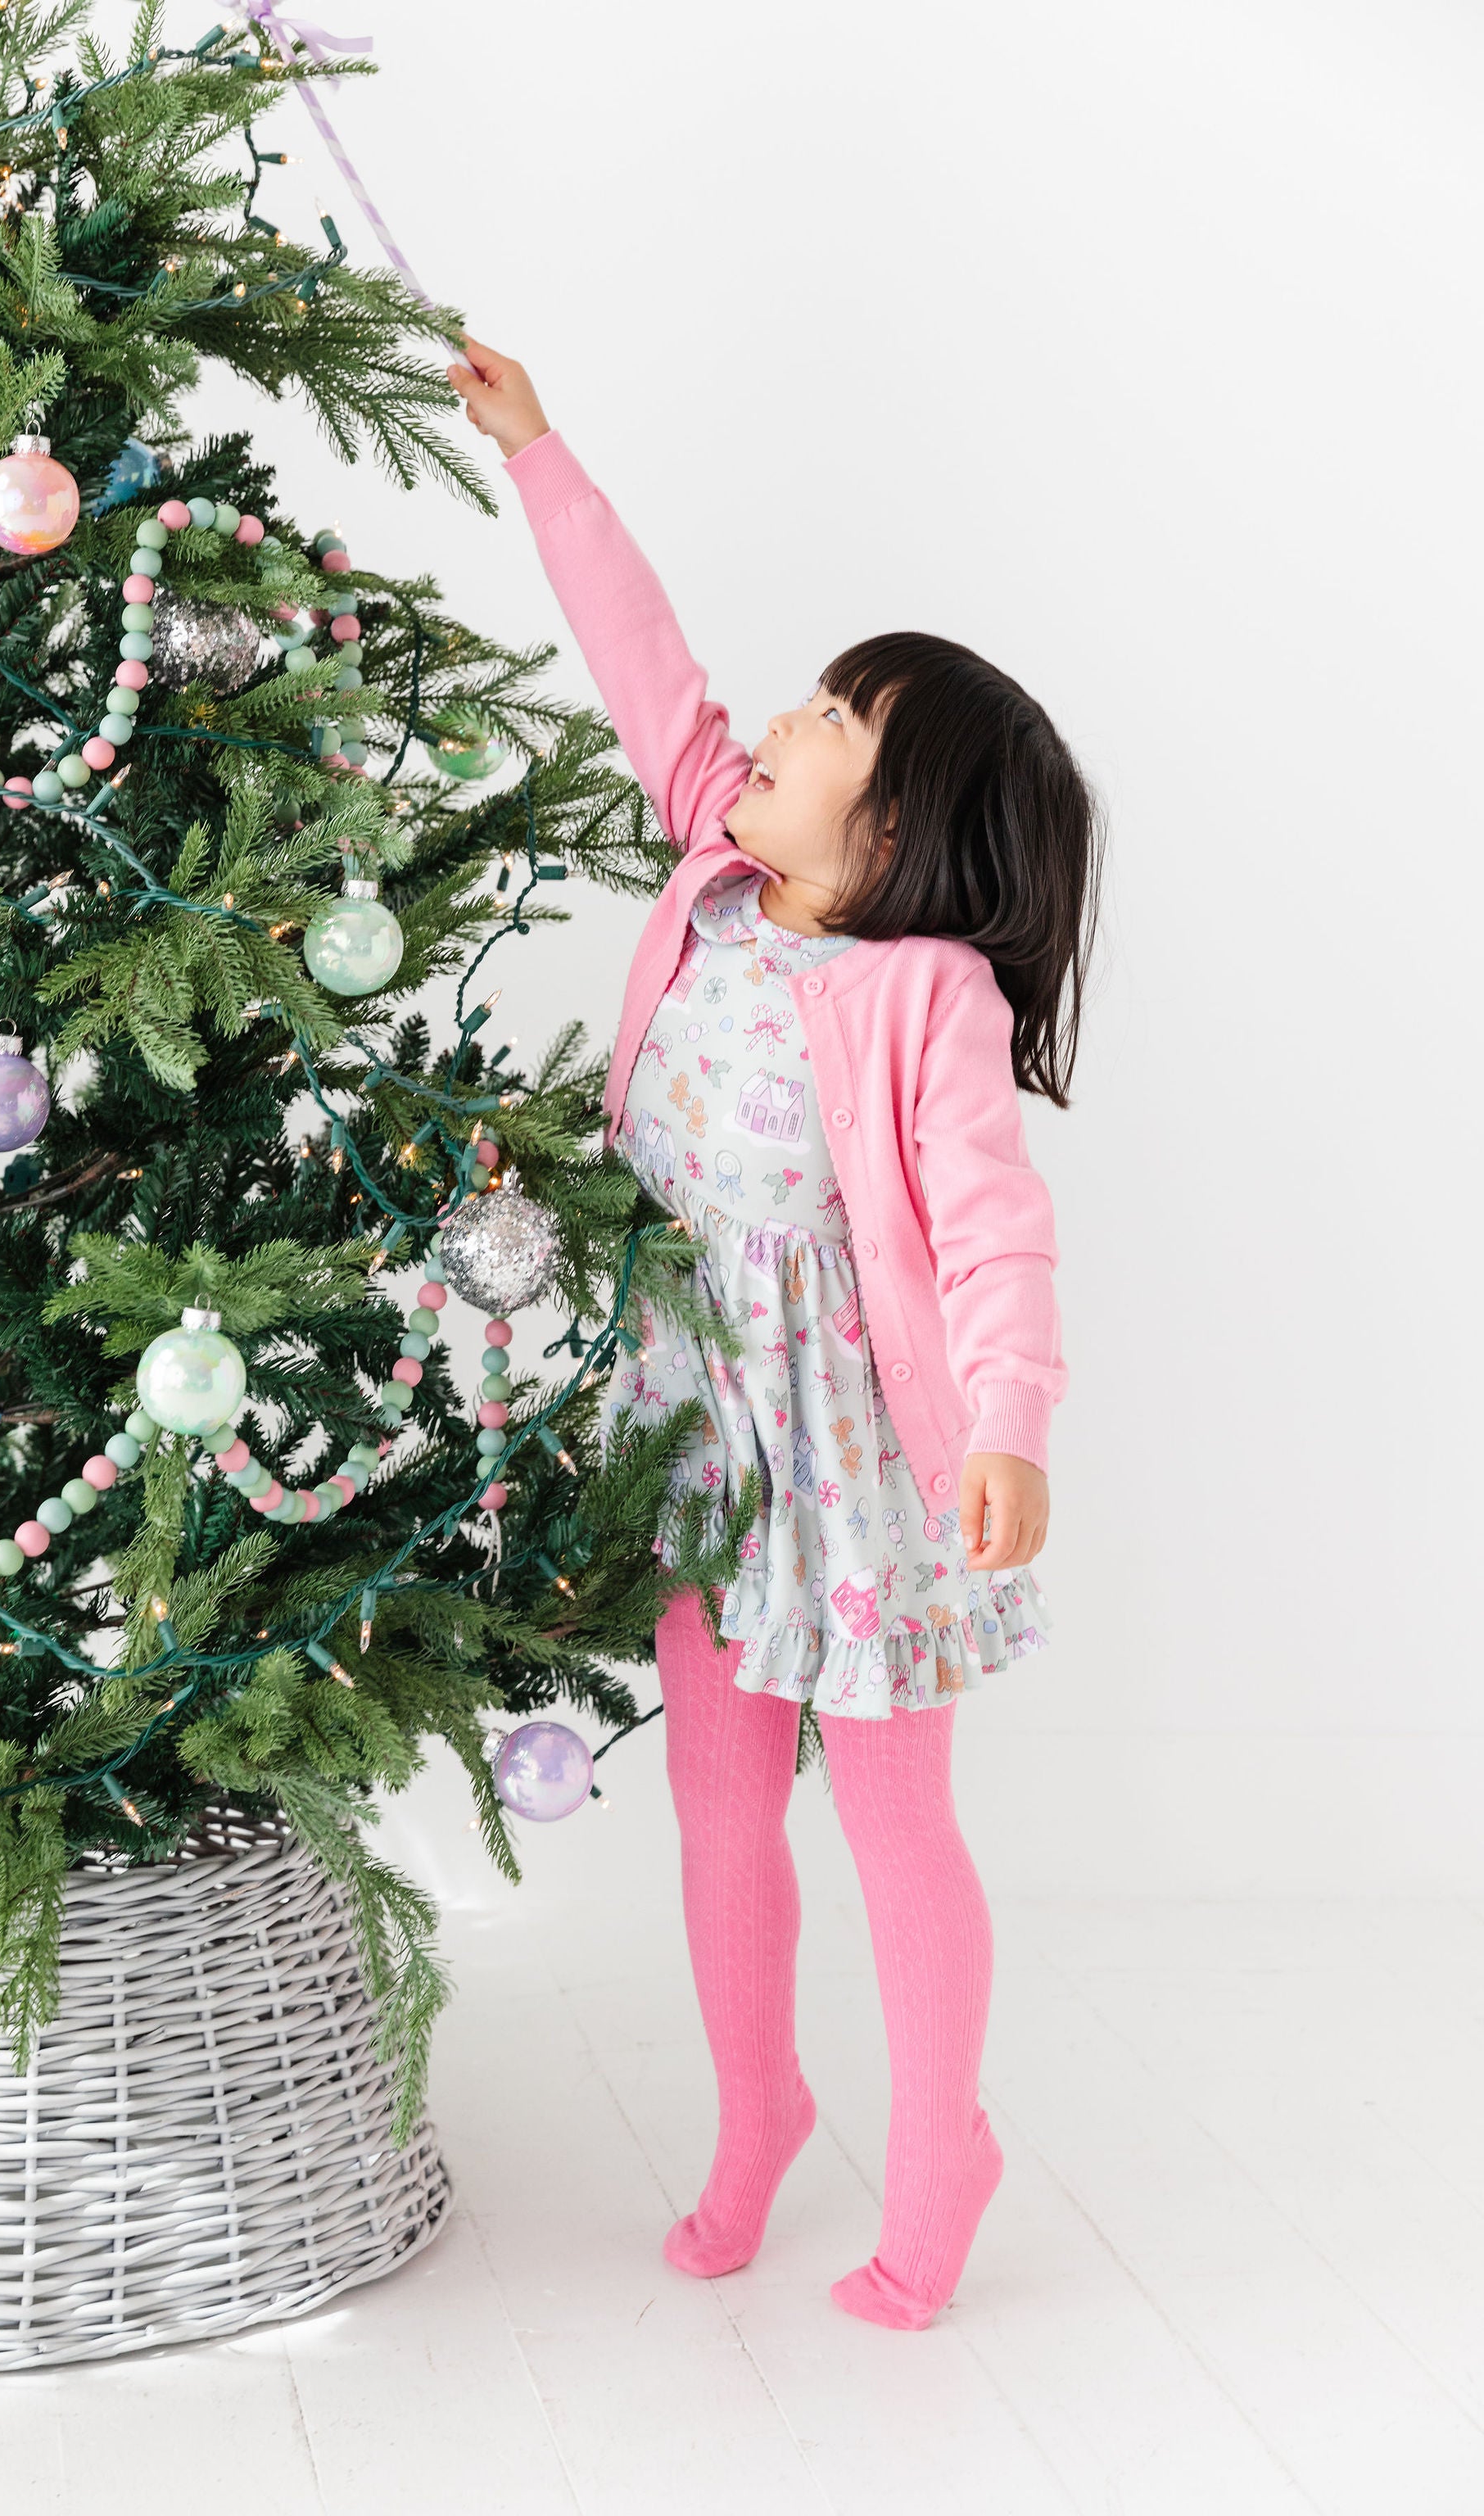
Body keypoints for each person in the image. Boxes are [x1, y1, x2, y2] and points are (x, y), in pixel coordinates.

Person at [449, 337, 1103, 2330]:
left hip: (864, 1449)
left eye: (825, 719)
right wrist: (540, 453)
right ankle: (759, 2116)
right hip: (696, 1417)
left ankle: (940, 2151)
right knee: (719, 1789)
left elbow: (995, 1235)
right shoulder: (715, 872)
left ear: (892, 830)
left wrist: (1006, 1426)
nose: (772, 724)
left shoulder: (927, 999)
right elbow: (643, 659)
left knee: (896, 1809)